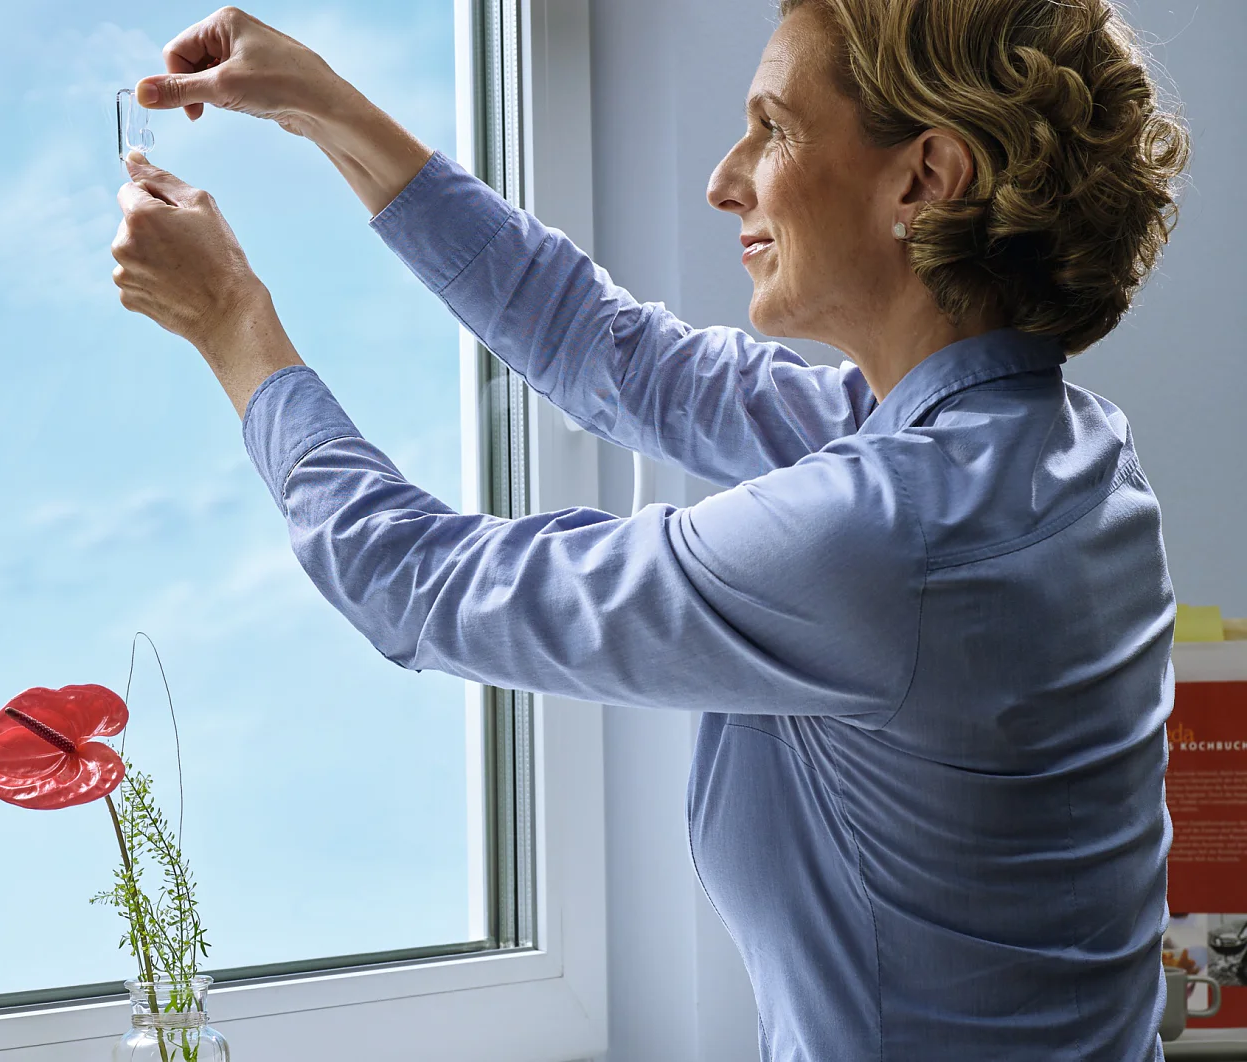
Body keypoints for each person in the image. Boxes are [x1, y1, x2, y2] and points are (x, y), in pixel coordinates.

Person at [109, 1, 1190, 1057]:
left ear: (924, 176)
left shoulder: (880, 541)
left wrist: (231, 324)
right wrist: (323, 105)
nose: (727, 180)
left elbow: (417, 582)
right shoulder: (1067, 457)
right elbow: (606, 351)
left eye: (772, 129)